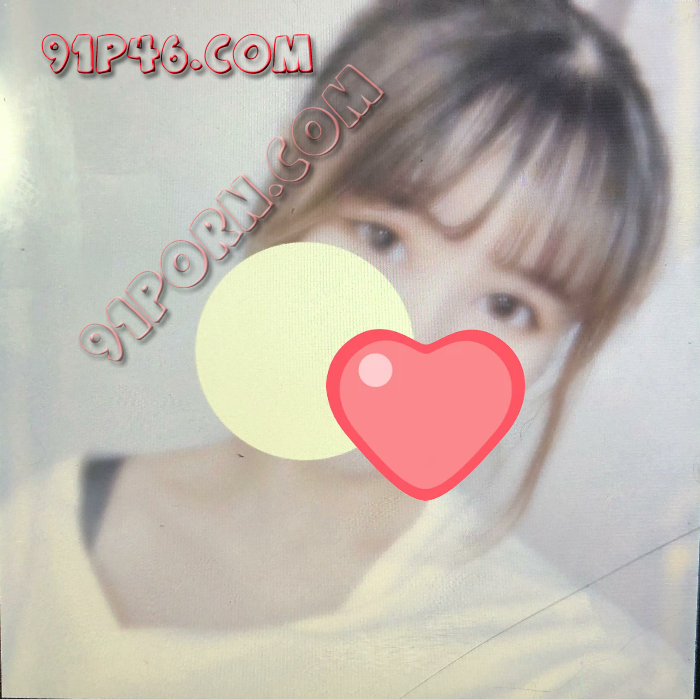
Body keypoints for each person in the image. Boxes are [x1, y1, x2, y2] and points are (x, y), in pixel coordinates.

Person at [0, 0, 693, 697]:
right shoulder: (42, 531)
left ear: (558, 351)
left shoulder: (584, 675)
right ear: (286, 185)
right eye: (382, 237)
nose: (415, 335)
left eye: (509, 307)